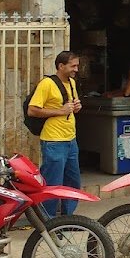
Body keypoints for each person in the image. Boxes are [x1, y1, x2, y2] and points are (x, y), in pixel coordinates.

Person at [27, 51, 83, 217]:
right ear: (61, 66)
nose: (76, 69)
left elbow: (70, 107)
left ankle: (67, 217)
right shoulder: (47, 84)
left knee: (73, 181)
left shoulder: (72, 83)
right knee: (53, 182)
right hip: (53, 140)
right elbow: (32, 110)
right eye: (73, 66)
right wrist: (60, 111)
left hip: (70, 139)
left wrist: (76, 107)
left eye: (77, 65)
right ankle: (47, 218)